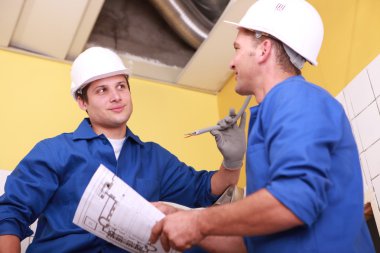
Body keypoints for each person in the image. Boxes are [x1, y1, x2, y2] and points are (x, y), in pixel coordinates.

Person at [149, 0, 376, 252]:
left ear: (264, 49)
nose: (231, 63)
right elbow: (251, 244)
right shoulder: (272, 112)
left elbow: (294, 199)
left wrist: (198, 221)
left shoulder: (296, 98)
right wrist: (175, 219)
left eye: (237, 48)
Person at [0, 46, 246, 252]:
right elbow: (9, 215)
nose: (116, 97)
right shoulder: (54, 152)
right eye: (102, 90)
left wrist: (232, 162)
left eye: (121, 86)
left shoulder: (154, 158)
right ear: (82, 101)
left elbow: (204, 191)